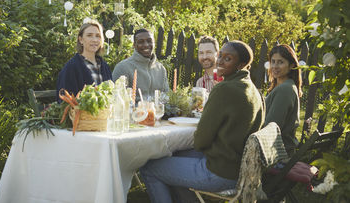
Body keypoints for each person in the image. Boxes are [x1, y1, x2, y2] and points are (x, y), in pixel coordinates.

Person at [140, 40, 265, 203]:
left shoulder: (224, 89)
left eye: (228, 59)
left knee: (149, 168)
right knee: (176, 155)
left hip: (219, 172)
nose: (219, 61)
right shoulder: (252, 89)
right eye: (220, 56)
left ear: (241, 65)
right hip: (237, 167)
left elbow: (200, 140)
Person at [56, 19, 112, 101]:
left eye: (98, 36)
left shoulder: (104, 66)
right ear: (81, 39)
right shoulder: (72, 67)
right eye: (89, 35)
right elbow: (64, 100)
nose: (94, 40)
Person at [265, 44, 302, 155]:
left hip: (277, 154)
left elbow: (271, 127)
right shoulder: (286, 86)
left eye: (280, 62)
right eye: (273, 61)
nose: (275, 66)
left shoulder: (285, 89)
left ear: (291, 66)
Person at [112, 28, 169, 100]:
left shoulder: (161, 69)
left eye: (149, 41)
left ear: (154, 43)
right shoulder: (122, 67)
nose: (146, 45)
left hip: (158, 110)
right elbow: (117, 99)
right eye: (141, 42)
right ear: (134, 45)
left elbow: (166, 96)